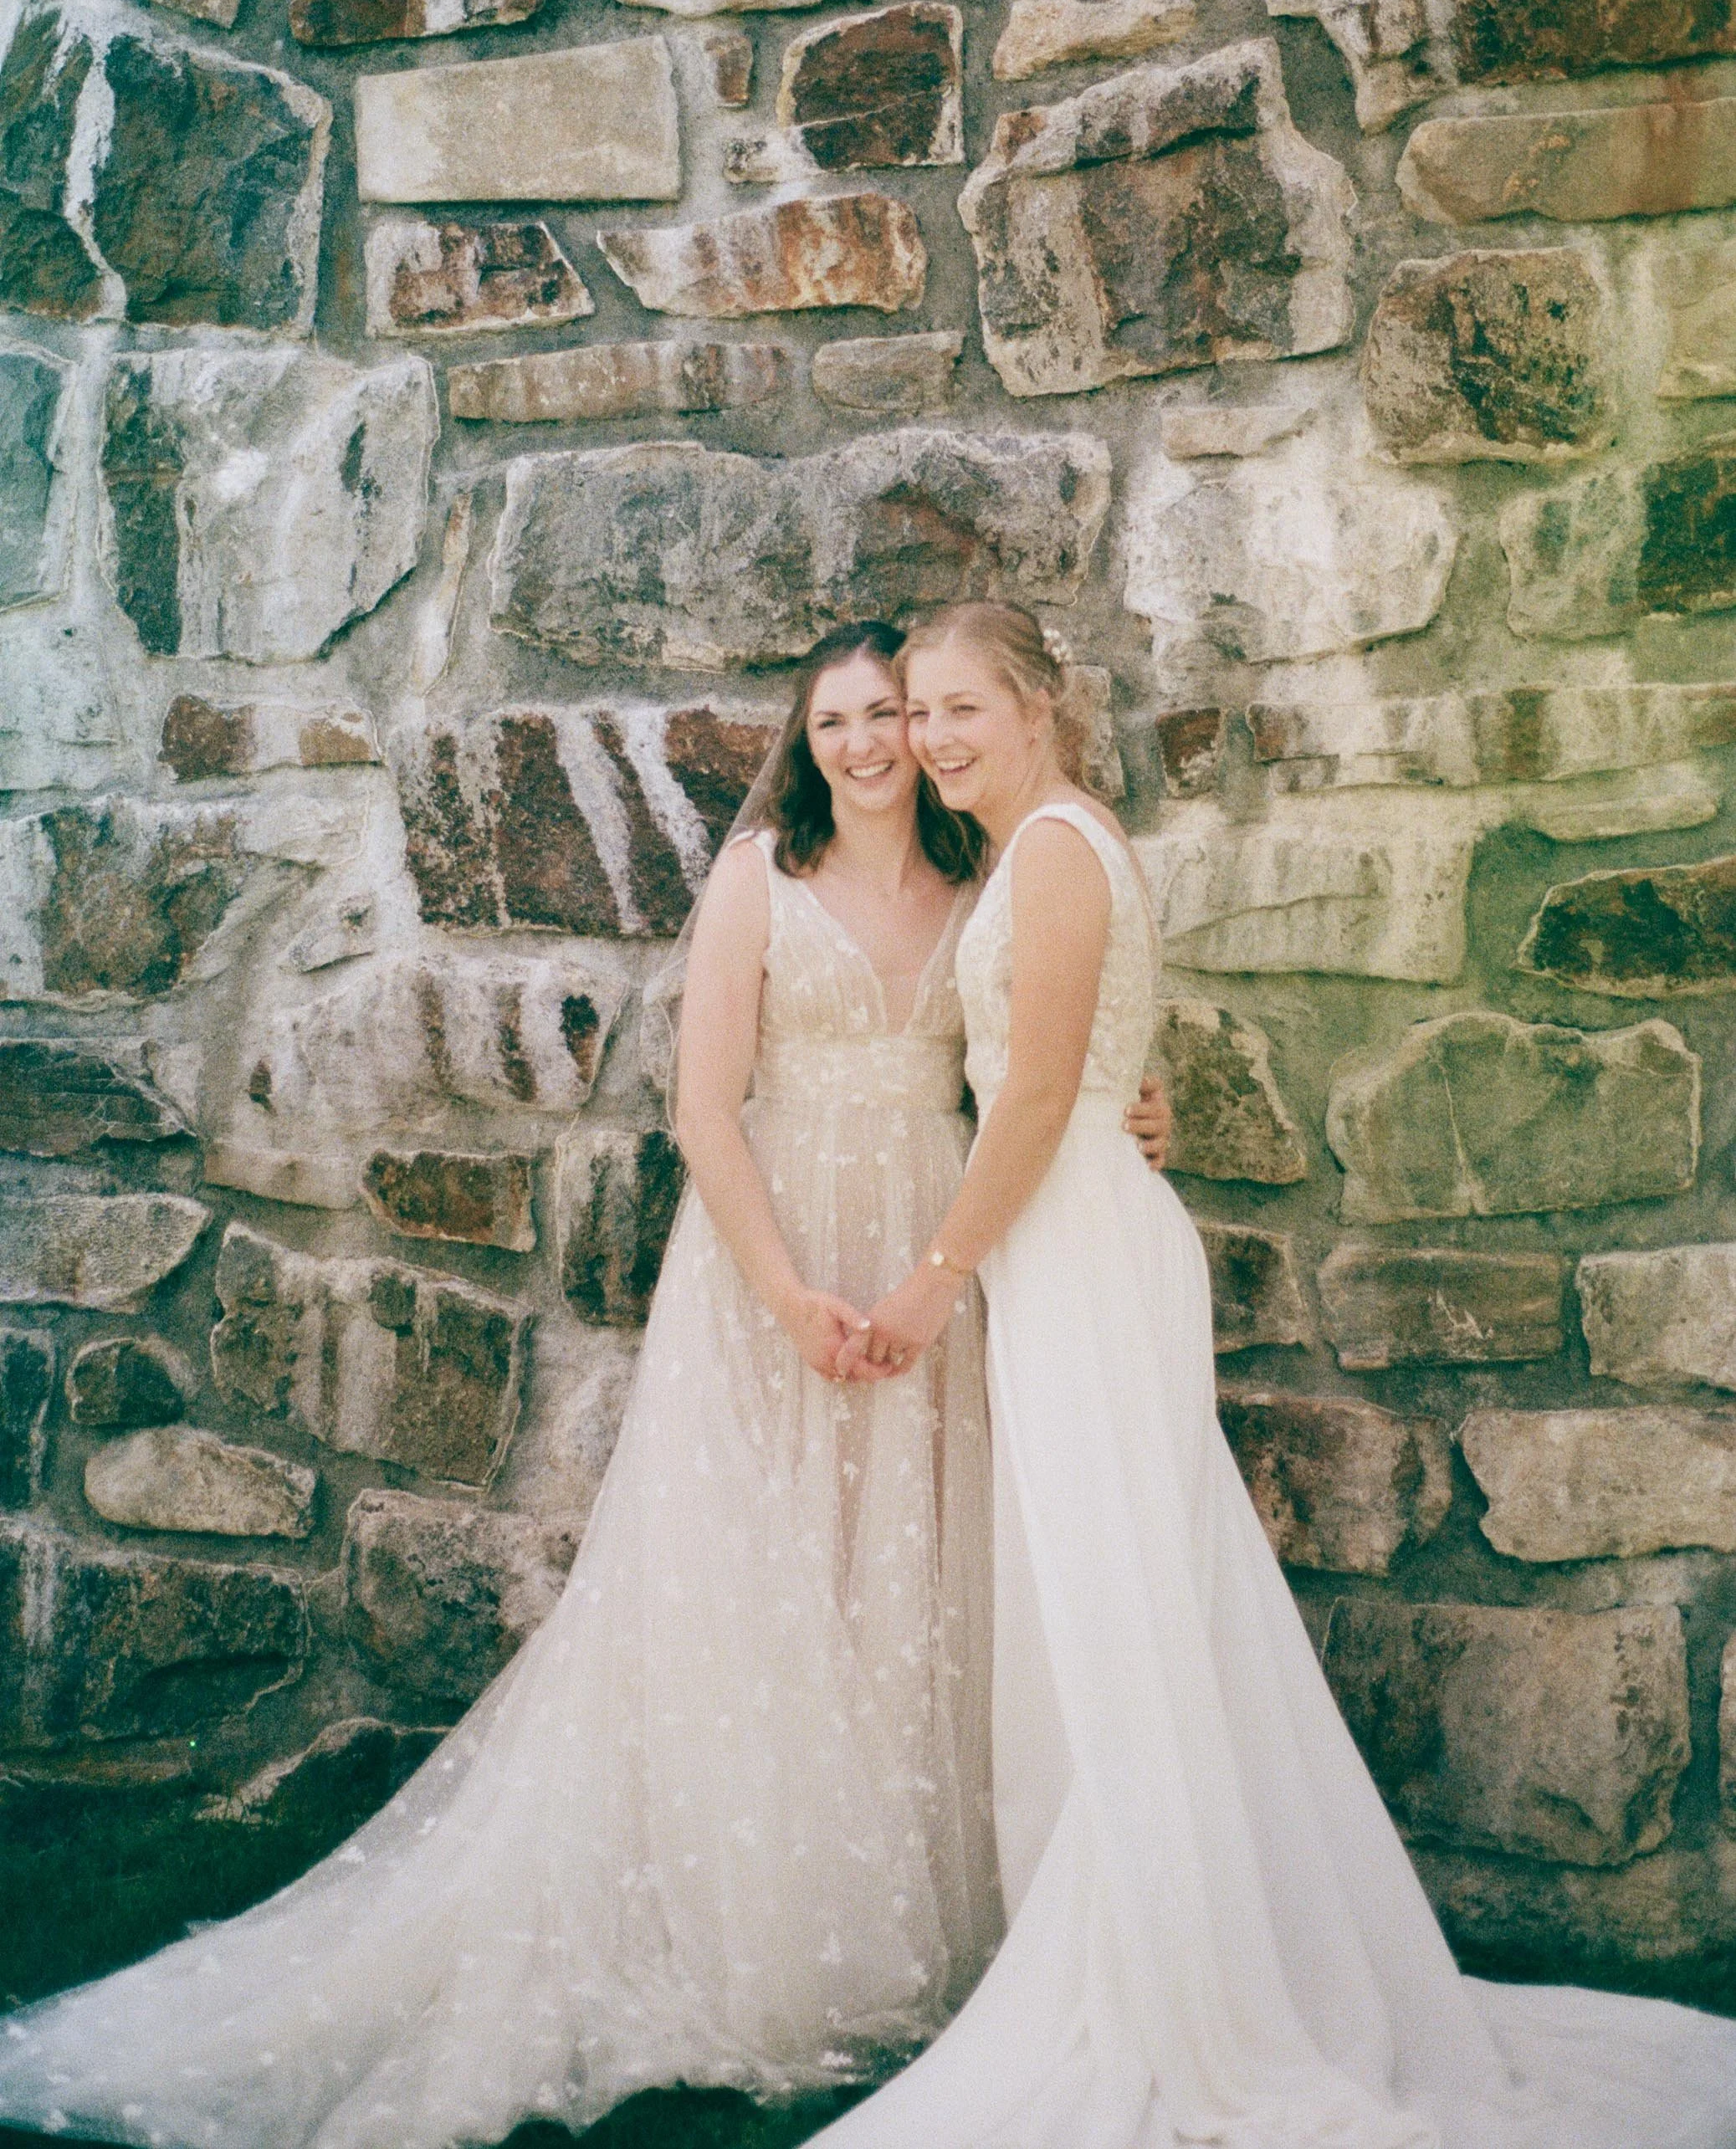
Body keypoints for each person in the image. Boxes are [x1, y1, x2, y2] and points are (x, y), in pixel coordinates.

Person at [0, 617, 1171, 2149]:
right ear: (806, 742)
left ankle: (917, 1904)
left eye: (895, 714)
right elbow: (702, 1104)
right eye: (838, 723)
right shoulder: (762, 877)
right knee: (761, 1575)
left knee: (913, 1568)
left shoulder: (987, 878)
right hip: (778, 1250)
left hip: (934, 1245)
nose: (874, 743)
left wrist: (1124, 1107)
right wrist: (782, 1291)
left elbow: (1032, 1049)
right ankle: (753, 1911)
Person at [817, 600, 1736, 2149]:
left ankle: (1176, 1991)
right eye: (916, 711)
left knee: (1123, 1619)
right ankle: (1177, 1951)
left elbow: (1036, 1093)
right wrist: (1124, 1105)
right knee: (1139, 1614)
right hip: (1087, 1235)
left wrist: (927, 1280)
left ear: (1039, 701)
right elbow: (1091, 1057)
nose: (932, 736)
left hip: (1077, 1249)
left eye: (963, 704)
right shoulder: (1061, 835)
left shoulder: (1045, 847)